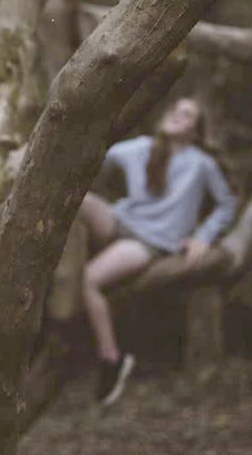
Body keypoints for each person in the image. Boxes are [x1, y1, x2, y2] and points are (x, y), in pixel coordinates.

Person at [75, 97, 236, 406]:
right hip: (119, 221)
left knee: (89, 281)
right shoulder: (140, 147)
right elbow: (97, 155)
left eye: (186, 114)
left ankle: (111, 358)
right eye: (175, 109)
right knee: (75, 199)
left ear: (196, 131)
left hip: (150, 241)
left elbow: (227, 204)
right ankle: (58, 273)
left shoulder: (201, 164)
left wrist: (202, 237)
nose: (176, 115)